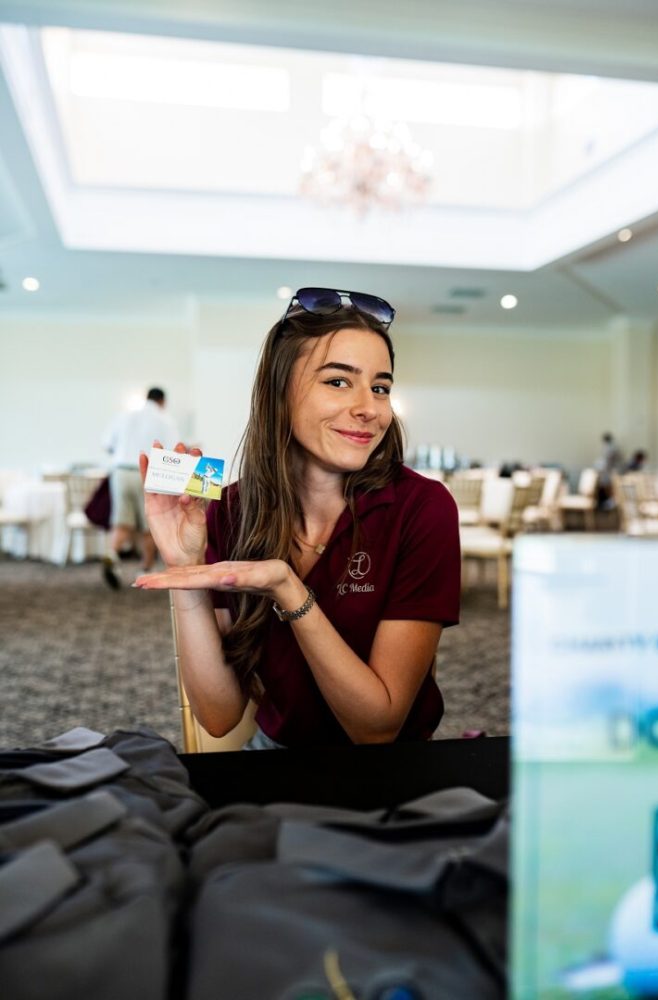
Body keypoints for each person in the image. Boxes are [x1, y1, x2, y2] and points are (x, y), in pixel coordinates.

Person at [135, 289, 460, 748]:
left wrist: (288, 589)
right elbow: (219, 715)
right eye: (338, 382)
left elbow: (377, 727)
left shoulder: (422, 508)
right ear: (280, 393)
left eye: (381, 387)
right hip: (276, 757)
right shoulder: (231, 509)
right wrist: (186, 569)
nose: (370, 407)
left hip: (391, 774)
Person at [102, 387, 178, 588]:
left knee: (122, 521)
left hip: (120, 472)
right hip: (147, 472)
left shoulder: (124, 416)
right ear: (162, 401)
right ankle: (147, 567)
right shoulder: (164, 419)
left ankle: (111, 554)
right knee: (150, 523)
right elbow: (171, 453)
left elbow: (107, 444)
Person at [595, 431, 623, 508]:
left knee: (610, 486)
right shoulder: (609, 446)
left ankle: (610, 501)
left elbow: (608, 460)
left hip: (612, 471)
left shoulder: (611, 447)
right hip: (609, 470)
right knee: (605, 484)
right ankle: (607, 501)